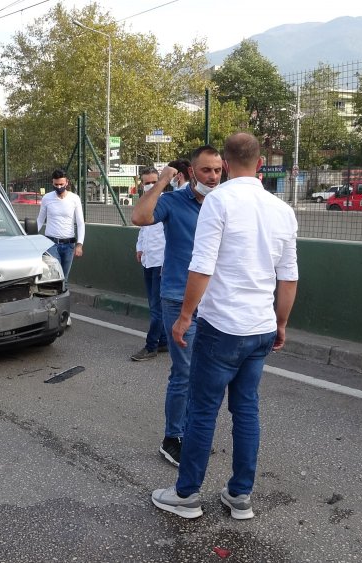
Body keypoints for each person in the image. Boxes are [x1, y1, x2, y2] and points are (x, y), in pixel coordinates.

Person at [151, 132, 299, 520]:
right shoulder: (282, 210)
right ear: (261, 164)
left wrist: (185, 316)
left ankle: (186, 495)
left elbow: (201, 266)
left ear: (227, 166)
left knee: (202, 411)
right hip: (261, 327)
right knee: (246, 410)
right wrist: (281, 323)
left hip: (222, 328)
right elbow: (288, 277)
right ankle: (240, 495)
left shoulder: (219, 201)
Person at [132, 149, 222, 467]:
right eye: (206, 170)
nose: (213, 176)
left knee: (207, 372)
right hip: (177, 297)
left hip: (213, 299)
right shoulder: (173, 201)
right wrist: (163, 181)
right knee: (184, 371)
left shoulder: (222, 202)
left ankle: (193, 432)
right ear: (192, 172)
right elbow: (139, 217)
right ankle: (173, 438)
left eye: (217, 170)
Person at [131, 167, 169, 361]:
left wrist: (166, 262)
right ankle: (163, 341)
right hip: (148, 260)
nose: (151, 185)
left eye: (155, 181)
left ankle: (151, 346)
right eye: (147, 183)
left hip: (161, 262)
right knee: (154, 305)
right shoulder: (144, 202)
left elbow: (171, 235)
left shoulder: (166, 202)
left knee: (156, 308)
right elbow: (143, 229)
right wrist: (140, 247)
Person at [37, 169, 85, 281]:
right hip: (51, 244)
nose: (59, 187)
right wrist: (30, 235)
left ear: (67, 182)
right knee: (55, 275)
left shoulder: (74, 199)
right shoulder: (47, 198)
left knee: (64, 277)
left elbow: (80, 223)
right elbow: (40, 220)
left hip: (69, 244)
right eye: (56, 184)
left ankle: (64, 292)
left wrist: (79, 244)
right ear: (52, 183)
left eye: (61, 184)